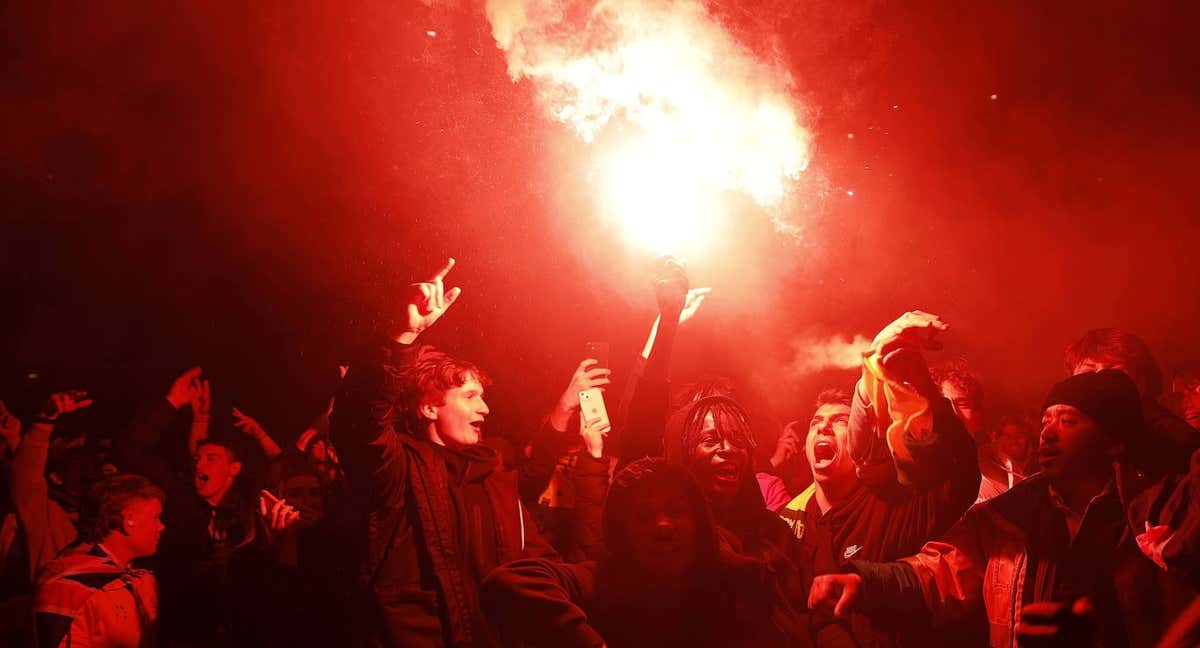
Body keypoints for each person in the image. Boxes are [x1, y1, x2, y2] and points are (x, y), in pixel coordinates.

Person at [809, 370, 1194, 648]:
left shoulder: (1158, 511)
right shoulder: (1010, 516)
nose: (1047, 432)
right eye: (1045, 420)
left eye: (1069, 420)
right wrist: (866, 581)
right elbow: (943, 570)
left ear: (1112, 442)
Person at [331, 258, 557, 647]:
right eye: (469, 396)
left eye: (483, 398)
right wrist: (402, 338)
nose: (484, 408)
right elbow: (360, 424)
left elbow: (541, 572)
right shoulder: (398, 470)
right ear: (428, 407)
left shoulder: (498, 481)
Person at [481, 457, 795, 648]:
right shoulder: (603, 580)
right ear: (623, 531)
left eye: (676, 511)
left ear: (699, 520)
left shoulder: (740, 584)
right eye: (644, 517)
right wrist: (586, 641)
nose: (663, 525)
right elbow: (508, 581)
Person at [34, 473, 165, 648]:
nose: (162, 526)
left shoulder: (139, 579)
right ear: (129, 521)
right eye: (155, 517)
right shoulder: (69, 588)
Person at [1065, 328, 1200, 478]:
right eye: (1088, 374)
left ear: (1142, 383)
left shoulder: (1175, 440)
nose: (1099, 381)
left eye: (1115, 373)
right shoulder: (1065, 441)